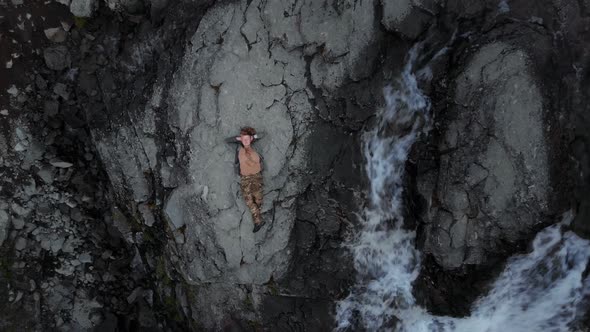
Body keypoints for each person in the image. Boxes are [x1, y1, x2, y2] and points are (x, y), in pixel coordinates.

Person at [225, 127, 267, 233]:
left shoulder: (254, 148)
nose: (245, 140)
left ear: (251, 139)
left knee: (258, 200)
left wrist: (253, 137)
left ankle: (258, 219)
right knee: (249, 201)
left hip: (257, 176)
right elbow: (226, 141)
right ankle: (258, 221)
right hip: (245, 178)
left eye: (247, 138)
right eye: (243, 138)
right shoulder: (240, 149)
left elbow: (263, 134)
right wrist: (239, 138)